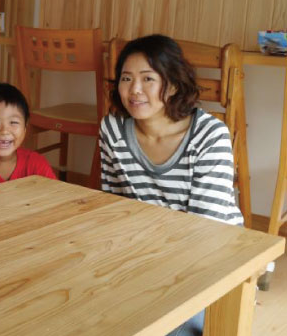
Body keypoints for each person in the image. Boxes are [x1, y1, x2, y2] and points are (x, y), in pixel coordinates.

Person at [99, 34, 243, 336]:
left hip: (210, 257)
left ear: (174, 84)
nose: (134, 90)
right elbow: (112, 206)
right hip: (144, 253)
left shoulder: (209, 136)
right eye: (126, 78)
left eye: (148, 79)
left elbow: (205, 232)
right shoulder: (112, 129)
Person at [0, 83, 56, 190]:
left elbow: (55, 194)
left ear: (25, 127)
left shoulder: (36, 162)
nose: (4, 131)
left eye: (13, 122)